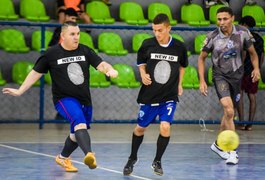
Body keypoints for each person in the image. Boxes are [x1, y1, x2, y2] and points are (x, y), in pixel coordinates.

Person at [2, 21, 118, 172]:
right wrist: (20, 90)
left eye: (78, 34)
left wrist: (110, 70)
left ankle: (62, 158)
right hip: (64, 99)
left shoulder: (85, 51)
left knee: (76, 134)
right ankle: (89, 154)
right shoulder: (51, 54)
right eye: (72, 34)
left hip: (85, 100)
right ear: (63, 36)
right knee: (79, 124)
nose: (76, 37)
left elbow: (101, 64)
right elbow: (36, 72)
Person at [123, 13, 188, 176]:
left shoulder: (179, 47)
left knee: (165, 127)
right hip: (149, 96)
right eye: (154, 30)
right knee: (140, 129)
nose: (157, 34)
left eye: (160, 30)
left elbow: (182, 66)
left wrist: (179, 84)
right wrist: (143, 74)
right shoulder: (147, 44)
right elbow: (141, 63)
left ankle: (157, 161)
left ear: (168, 28)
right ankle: (132, 158)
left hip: (169, 96)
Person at [198, 7, 260, 165]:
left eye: (225, 19)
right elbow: (201, 58)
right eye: (219, 19)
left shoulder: (243, 33)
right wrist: (202, 80)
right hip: (220, 76)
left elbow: (253, 53)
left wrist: (256, 69)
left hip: (237, 77)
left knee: (228, 115)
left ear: (232, 18)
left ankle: (218, 145)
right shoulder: (212, 37)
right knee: (229, 110)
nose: (222, 22)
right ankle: (232, 151)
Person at [237, 16, 264, 131]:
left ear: (245, 24)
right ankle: (250, 124)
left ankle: (242, 122)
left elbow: (243, 54)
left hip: (244, 71)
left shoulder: (244, 36)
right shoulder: (259, 38)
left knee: (240, 95)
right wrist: (257, 68)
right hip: (254, 70)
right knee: (252, 96)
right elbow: (262, 55)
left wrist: (240, 67)